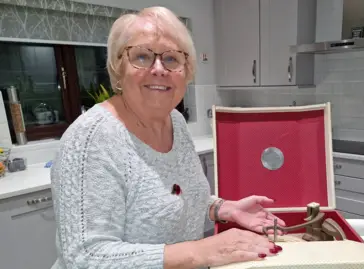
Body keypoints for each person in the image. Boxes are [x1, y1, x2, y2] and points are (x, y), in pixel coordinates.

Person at [49, 6, 287, 269]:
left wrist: (222, 209)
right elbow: (84, 257)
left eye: (172, 59)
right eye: (142, 56)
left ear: (187, 71)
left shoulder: (174, 120)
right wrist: (200, 252)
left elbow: (174, 200)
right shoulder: (91, 139)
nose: (159, 69)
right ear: (118, 68)